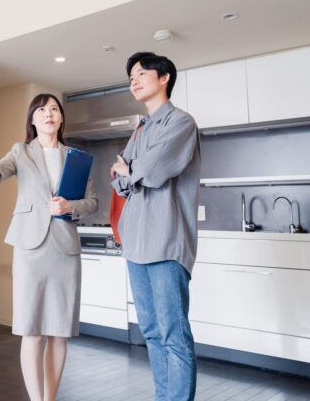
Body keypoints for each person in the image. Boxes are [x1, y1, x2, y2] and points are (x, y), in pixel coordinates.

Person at [0, 94, 98, 401]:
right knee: (31, 330)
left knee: (60, 333)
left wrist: (70, 206)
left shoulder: (77, 158)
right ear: (32, 119)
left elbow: (92, 203)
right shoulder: (21, 152)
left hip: (65, 251)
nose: (49, 114)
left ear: (61, 117)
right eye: (41, 110)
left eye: (54, 109)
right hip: (30, 249)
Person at [110, 52, 201, 401]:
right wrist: (129, 173)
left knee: (173, 333)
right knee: (150, 331)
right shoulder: (140, 130)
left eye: (141, 73)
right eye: (131, 76)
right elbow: (118, 177)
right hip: (135, 242)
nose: (134, 80)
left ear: (164, 78)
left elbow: (154, 169)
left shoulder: (182, 123)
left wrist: (130, 171)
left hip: (165, 241)